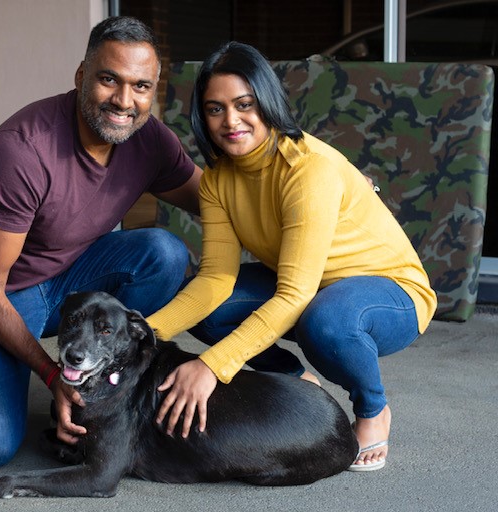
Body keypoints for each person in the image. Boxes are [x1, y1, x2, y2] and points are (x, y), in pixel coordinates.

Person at [146, 41, 437, 472]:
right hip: (308, 288)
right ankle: (294, 379)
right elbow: (214, 281)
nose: (231, 121)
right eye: (215, 109)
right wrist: (138, 336)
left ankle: (373, 408)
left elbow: (295, 294)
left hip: (391, 293)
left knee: (326, 320)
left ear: (267, 101)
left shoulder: (308, 169)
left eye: (245, 104)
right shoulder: (217, 182)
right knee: (213, 310)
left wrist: (211, 366)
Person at [0, 16, 202, 470]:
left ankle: (99, 386)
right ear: (81, 77)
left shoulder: (149, 138)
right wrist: (52, 374)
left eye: (141, 86)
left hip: (74, 277)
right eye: (109, 79)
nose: (124, 100)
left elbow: (214, 200)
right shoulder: (21, 151)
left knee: (164, 255)